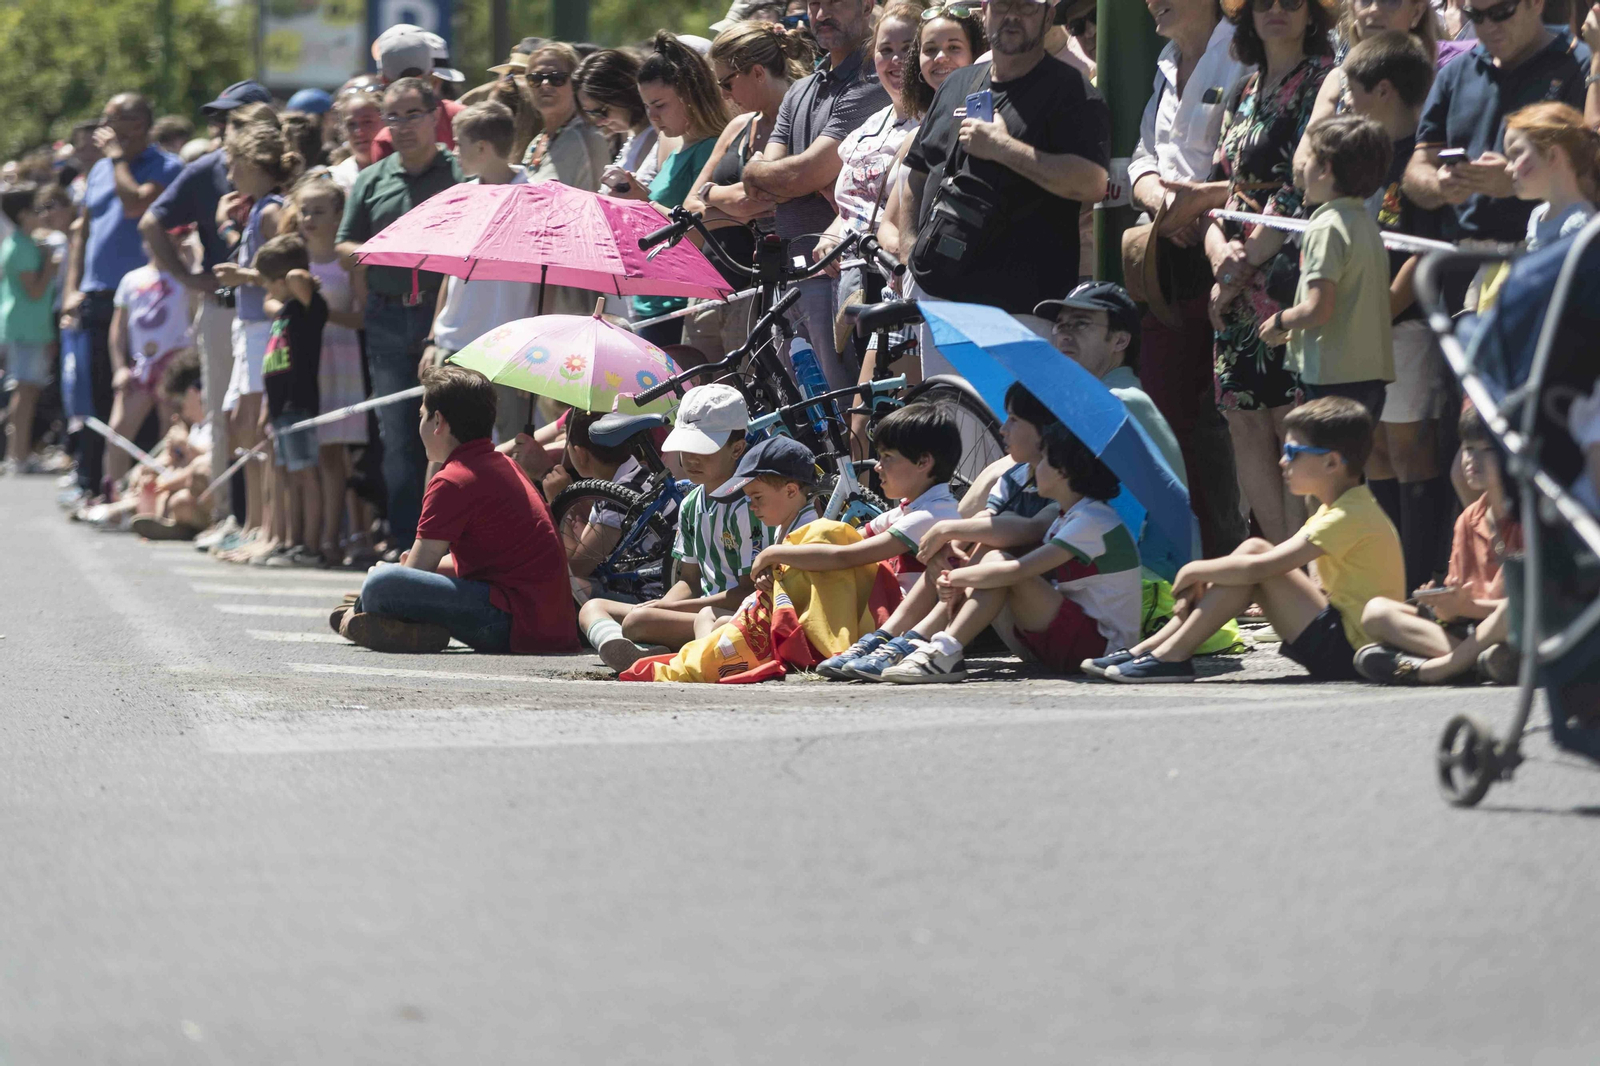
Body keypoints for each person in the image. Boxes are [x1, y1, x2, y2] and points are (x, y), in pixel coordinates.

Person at [1102, 397, 1404, 683]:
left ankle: (1170, 655)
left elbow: (1260, 569)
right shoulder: (1340, 506)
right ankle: (1153, 650)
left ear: (1331, 463)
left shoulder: (1345, 515)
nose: (1283, 462)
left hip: (1353, 653)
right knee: (1254, 550)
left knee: (1254, 562)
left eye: (1293, 452)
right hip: (1344, 639)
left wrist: (1193, 570)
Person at [898, 0, 1111, 375]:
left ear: (1048, 16)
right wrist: (909, 253)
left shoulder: (1072, 91)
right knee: (945, 412)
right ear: (984, 11)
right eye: (1002, 5)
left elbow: (1092, 183)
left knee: (1012, 416)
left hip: (1021, 313)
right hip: (940, 300)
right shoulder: (956, 84)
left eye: (1026, 7)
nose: (1012, 16)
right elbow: (916, 175)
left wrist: (1003, 147)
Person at [1202, 0, 1338, 546]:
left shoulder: (1325, 81)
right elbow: (1220, 185)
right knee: (1244, 422)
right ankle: (1278, 564)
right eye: (1264, 2)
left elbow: (1300, 186)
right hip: (1234, 275)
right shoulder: (1242, 90)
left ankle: (1303, 567)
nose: (1277, 10)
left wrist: (1242, 266)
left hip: (1289, 273)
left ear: (1313, 13)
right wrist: (1219, 256)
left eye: (1292, 1)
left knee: (1291, 423)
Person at [336, 366, 580, 654]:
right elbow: (482, 561)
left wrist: (391, 577)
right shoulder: (502, 464)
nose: (420, 424)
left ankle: (361, 612)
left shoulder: (453, 479)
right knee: (391, 576)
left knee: (381, 583)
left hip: (515, 624)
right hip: (548, 623)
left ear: (438, 421)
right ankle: (399, 625)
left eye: (422, 415)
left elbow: (416, 573)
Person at [823, 382, 1058, 680]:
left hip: (1053, 625)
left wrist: (949, 531)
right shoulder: (1014, 478)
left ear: (1046, 430)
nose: (1003, 430)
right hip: (1015, 617)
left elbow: (1031, 529)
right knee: (959, 546)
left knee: (991, 549)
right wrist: (953, 544)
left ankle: (922, 640)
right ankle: (888, 637)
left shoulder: (1069, 484)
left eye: (1013, 419)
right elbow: (985, 520)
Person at [1125, 0, 1249, 560]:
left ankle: (1253, 560)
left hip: (1238, 256)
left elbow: (1259, 165)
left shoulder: (1244, 52)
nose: (1152, 2)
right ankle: (1197, 560)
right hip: (1166, 262)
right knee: (1166, 417)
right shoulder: (1165, 63)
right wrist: (1159, 202)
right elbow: (1143, 157)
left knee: (1241, 421)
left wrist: (1200, 207)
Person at [880, 422, 1139, 682]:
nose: (1033, 468)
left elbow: (1019, 570)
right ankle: (943, 646)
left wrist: (955, 578)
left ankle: (946, 649)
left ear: (1063, 470)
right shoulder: (1069, 516)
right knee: (996, 557)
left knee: (1003, 567)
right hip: (1071, 639)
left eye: (1042, 461)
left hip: (1101, 649)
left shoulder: (1091, 520)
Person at [1341, 31, 1456, 592]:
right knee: (1378, 450)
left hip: (1405, 326)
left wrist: (1380, 313)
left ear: (1384, 90)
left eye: (1355, 91)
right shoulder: (1372, 157)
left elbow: (1423, 252)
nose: (1348, 102)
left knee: (1410, 448)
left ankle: (1416, 578)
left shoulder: (1417, 159)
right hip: (1370, 326)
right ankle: (1386, 578)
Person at [336, 77, 464, 559]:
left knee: (449, 430)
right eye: (393, 116)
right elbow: (343, 245)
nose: (403, 126)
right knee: (397, 436)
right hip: (387, 317)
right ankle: (403, 537)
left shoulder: (459, 174)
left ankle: (446, 540)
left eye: (413, 114)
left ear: (435, 117)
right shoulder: (372, 179)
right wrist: (384, 252)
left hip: (443, 314)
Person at [141, 89, 275, 524]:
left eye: (235, 119)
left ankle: (265, 521)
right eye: (221, 121)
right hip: (223, 307)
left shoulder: (283, 172)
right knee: (223, 414)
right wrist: (188, 278)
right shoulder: (207, 169)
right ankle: (227, 515)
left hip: (272, 310)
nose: (224, 129)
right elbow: (152, 221)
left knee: (265, 419)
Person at [743, 0, 891, 389]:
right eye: (814, 3)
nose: (822, 13)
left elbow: (799, 175)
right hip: (789, 277)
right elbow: (764, 185)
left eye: (834, 2)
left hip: (839, 274)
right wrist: (775, 176)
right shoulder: (799, 89)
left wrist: (772, 174)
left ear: (866, 5)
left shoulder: (873, 81)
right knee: (804, 407)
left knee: (845, 403)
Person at [1403, 0, 1588, 305]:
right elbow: (1417, 168)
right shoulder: (1456, 72)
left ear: (1535, 4)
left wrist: (1517, 183)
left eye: (1501, 12)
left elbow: (1591, 179)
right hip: (1459, 264)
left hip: (1544, 263)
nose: (1488, 25)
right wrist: (1441, 186)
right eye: (1475, 15)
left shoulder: (1580, 67)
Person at [767, 402, 963, 678]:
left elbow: (845, 556)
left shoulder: (931, 515)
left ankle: (835, 642)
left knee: (834, 559)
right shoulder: (908, 510)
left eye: (887, 457)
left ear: (923, 462)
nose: (878, 467)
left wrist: (773, 554)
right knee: (825, 534)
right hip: (892, 612)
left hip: (912, 621)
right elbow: (843, 541)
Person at [578, 384, 763, 671]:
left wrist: (664, 609)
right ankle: (633, 649)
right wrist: (661, 606)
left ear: (737, 448)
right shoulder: (690, 504)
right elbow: (689, 581)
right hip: (698, 613)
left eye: (704, 449)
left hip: (735, 615)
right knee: (593, 607)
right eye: (687, 447)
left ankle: (645, 646)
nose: (691, 458)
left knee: (639, 621)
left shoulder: (750, 505)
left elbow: (746, 592)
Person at [60, 93, 183, 504]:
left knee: (142, 397)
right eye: (106, 118)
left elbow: (135, 205)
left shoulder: (166, 166)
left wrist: (116, 160)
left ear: (142, 124)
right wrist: (72, 287)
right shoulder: (99, 169)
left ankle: (141, 492)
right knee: (98, 393)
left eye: (116, 119)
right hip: (98, 293)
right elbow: (82, 231)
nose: (107, 128)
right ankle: (97, 486)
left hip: (149, 296)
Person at [1354, 404, 1521, 684]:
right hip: (1474, 632)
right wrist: (1442, 605)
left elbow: (1525, 607)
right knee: (1376, 611)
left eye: (1487, 450)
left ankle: (1435, 669)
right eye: (1467, 449)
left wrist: (1466, 608)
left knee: (1509, 612)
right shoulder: (1469, 518)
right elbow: (1459, 603)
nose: (1472, 459)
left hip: (1519, 627)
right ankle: (1482, 662)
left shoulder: (1532, 519)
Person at [682, 21, 815, 361]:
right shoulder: (739, 126)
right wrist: (720, 198)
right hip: (710, 285)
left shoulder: (804, 119)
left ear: (757, 73)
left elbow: (752, 201)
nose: (723, 95)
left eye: (727, 83)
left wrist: (711, 197)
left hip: (766, 290)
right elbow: (690, 209)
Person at [1258, 114, 1395, 422]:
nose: (1301, 168)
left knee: (1320, 453)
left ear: (1325, 169)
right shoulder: (1367, 226)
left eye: (1308, 158)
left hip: (1331, 380)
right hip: (1371, 378)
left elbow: (1318, 309)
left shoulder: (1325, 227)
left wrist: (1280, 320)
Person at [604, 33, 733, 346]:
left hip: (682, 303)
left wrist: (643, 201)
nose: (652, 116)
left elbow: (697, 233)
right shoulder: (677, 148)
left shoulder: (709, 149)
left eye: (660, 105)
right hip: (655, 300)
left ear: (690, 96)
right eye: (647, 106)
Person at [425, 102, 538, 446]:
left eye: (459, 143)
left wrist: (536, 355)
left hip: (511, 353)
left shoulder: (536, 199)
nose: (453, 151)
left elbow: (547, 281)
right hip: (454, 345)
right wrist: (432, 338)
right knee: (441, 446)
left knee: (509, 448)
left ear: (482, 148)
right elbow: (450, 270)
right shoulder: (462, 198)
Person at [211, 121, 300, 550]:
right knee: (240, 424)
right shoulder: (257, 209)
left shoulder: (270, 212)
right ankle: (251, 523)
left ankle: (266, 528)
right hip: (247, 327)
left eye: (234, 165)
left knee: (256, 426)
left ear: (252, 163)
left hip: (264, 328)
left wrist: (242, 276)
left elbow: (287, 273)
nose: (230, 175)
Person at [814, 2, 920, 341]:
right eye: (885, 50)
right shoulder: (869, 127)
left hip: (899, 283)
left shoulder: (932, 123)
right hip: (852, 283)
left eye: (908, 49)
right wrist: (832, 233)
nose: (896, 60)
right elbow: (856, 199)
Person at [287, 177, 368, 567]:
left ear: (339, 215)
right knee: (304, 454)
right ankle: (305, 537)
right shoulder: (294, 257)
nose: (309, 219)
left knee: (332, 452)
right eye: (304, 210)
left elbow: (362, 317)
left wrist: (318, 311)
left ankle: (332, 538)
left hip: (340, 360)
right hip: (302, 362)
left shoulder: (347, 259)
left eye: (318, 211)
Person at [875, 3, 987, 264]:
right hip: (917, 274)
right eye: (930, 49)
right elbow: (888, 225)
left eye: (954, 48)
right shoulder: (914, 136)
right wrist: (907, 251)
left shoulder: (984, 119)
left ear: (975, 54)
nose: (940, 57)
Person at [255, 234, 326, 566]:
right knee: (289, 476)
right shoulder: (284, 310)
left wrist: (297, 273)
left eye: (270, 282)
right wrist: (266, 410)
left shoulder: (310, 308)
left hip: (298, 405)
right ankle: (291, 541)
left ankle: (311, 547)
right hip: (280, 407)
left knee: (305, 474)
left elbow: (297, 277)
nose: (267, 289)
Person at [106, 230, 195, 485]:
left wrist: (191, 262)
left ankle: (162, 491)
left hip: (175, 365)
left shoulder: (187, 277)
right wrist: (119, 368)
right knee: (118, 431)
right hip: (141, 366)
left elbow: (196, 313)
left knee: (171, 432)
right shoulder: (131, 279)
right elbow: (118, 329)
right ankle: (113, 489)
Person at [0, 184, 58, 475]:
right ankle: (17, 457)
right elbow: (34, 291)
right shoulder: (21, 247)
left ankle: (18, 453)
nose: (42, 215)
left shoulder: (22, 242)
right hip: (25, 328)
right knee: (24, 391)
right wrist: (50, 265)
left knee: (27, 391)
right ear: (23, 215)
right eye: (36, 210)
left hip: (28, 327)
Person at [1504, 101, 1599, 250]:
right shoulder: (1538, 214)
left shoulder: (1578, 225)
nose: (1508, 168)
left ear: (1551, 155)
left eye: (1516, 153)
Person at [523, 42, 614, 194]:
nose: (545, 84)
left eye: (557, 78)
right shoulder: (538, 141)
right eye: (536, 78)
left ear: (575, 84)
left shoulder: (588, 137)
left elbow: (601, 199)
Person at [369, 29, 467, 163]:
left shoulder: (384, 141)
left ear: (383, 80)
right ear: (432, 76)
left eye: (414, 115)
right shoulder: (465, 118)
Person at [575, 49, 663, 192]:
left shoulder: (657, 137)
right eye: (591, 113)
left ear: (624, 92)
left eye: (601, 111)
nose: (599, 122)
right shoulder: (634, 137)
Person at [329, 82, 385, 192]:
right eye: (351, 124)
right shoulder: (335, 180)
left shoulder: (407, 169)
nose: (359, 132)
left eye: (367, 122)